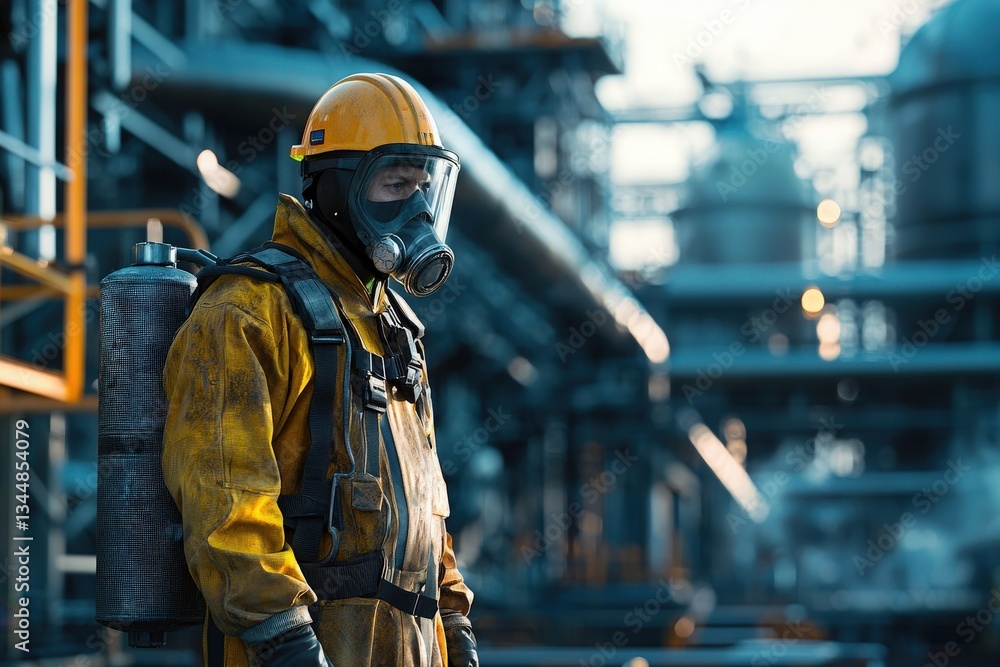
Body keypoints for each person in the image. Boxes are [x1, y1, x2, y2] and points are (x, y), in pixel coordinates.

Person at [162, 73, 478, 667]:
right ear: (338, 186)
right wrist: (287, 644)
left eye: (423, 186)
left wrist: (454, 623)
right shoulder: (249, 311)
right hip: (306, 650)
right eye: (394, 183)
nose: (415, 207)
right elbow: (225, 504)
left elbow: (424, 508)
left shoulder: (397, 331)